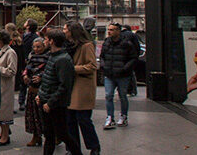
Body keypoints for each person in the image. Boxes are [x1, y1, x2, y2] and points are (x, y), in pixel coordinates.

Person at [36, 29, 82, 155]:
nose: (44, 41)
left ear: (51, 41)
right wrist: (40, 95)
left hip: (56, 105)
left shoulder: (63, 60)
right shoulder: (53, 56)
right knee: (49, 135)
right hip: (47, 101)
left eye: (46, 39)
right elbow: (47, 79)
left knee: (62, 134)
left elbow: (64, 85)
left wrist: (50, 103)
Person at [65, 21, 100, 155]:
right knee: (70, 120)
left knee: (83, 119)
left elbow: (92, 66)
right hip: (71, 86)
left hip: (82, 86)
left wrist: (73, 69)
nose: (64, 31)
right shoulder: (69, 46)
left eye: (65, 29)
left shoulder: (86, 46)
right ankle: (73, 148)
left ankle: (94, 146)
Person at [99, 23, 137, 129]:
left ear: (118, 31)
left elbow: (133, 57)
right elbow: (102, 56)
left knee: (122, 96)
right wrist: (103, 66)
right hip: (109, 73)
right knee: (108, 95)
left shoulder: (126, 44)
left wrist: (125, 69)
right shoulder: (107, 43)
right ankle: (110, 117)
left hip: (122, 74)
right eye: (109, 29)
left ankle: (123, 116)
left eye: (112, 30)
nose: (109, 31)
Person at [0, 29, 17, 146]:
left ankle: (6, 135)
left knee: (4, 112)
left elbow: (12, 71)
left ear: (0, 40)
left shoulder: (10, 52)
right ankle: (2, 132)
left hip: (5, 86)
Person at [23, 37, 48, 147]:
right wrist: (25, 75)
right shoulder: (31, 56)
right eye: (34, 47)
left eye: (39, 47)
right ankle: (36, 136)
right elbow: (27, 68)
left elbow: (49, 70)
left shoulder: (48, 57)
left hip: (43, 90)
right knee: (32, 115)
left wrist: (41, 77)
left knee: (44, 115)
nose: (36, 49)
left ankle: (51, 136)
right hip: (32, 88)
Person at [5, 22, 26, 111]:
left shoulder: (10, 43)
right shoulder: (19, 41)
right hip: (19, 66)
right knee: (19, 86)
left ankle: (11, 106)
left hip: (11, 64)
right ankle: (20, 103)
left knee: (10, 88)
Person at [19, 18, 38, 111]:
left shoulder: (28, 37)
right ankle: (24, 101)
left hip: (28, 62)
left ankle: (23, 101)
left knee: (26, 82)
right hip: (28, 62)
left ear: (28, 26)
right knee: (26, 83)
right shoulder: (27, 36)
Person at [121, 25, 140, 97]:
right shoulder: (133, 35)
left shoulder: (119, 34)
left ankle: (123, 90)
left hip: (121, 58)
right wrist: (135, 57)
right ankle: (132, 90)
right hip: (130, 58)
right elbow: (137, 47)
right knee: (131, 74)